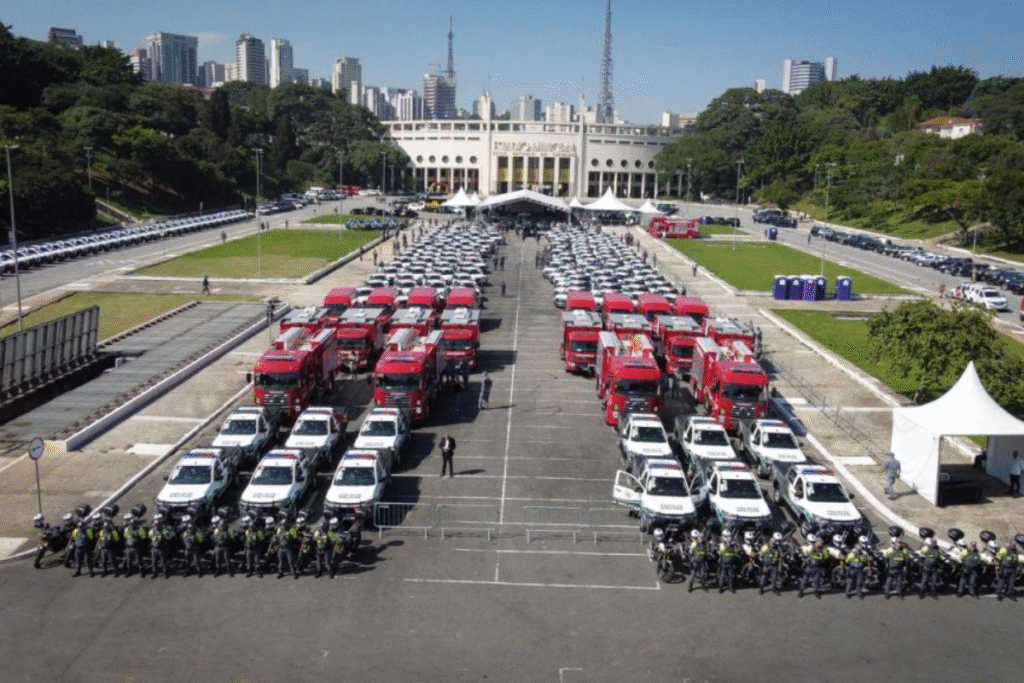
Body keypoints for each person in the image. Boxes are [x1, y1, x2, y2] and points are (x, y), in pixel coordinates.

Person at [149, 514, 174, 579]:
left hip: (161, 548)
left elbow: (169, 537)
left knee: (163, 562)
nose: (156, 526)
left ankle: (166, 573)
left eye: (157, 524)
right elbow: (149, 537)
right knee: (154, 562)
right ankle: (155, 573)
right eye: (155, 524)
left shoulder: (164, 530)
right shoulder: (152, 530)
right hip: (154, 548)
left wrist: (163, 536)